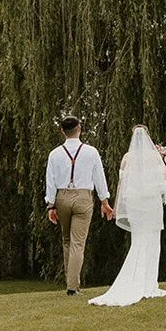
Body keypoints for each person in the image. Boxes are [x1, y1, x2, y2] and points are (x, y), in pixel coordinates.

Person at [89, 125, 166, 306]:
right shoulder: (155, 157)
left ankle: (145, 282)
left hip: (136, 205)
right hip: (152, 205)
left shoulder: (127, 158)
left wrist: (118, 207)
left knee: (139, 240)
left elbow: (122, 185)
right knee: (152, 241)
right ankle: (149, 284)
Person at [45, 115, 114, 295]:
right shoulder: (91, 152)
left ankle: (71, 283)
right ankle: (72, 287)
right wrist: (104, 201)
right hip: (83, 197)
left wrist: (51, 205)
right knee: (78, 243)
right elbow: (99, 177)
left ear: (62, 131)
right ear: (80, 128)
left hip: (62, 197)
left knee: (67, 240)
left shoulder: (54, 154)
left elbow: (50, 181)